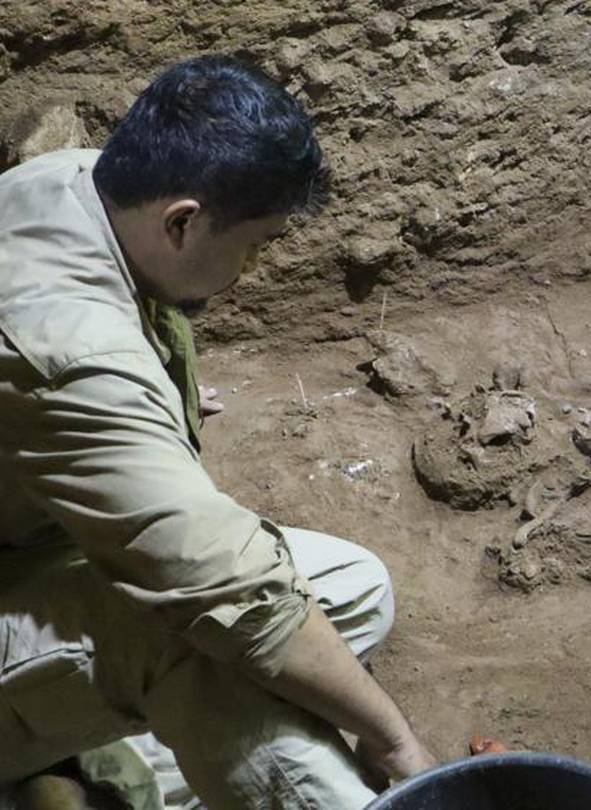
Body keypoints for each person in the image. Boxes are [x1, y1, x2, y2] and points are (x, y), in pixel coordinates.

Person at [0, 55, 437, 809]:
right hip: (21, 576)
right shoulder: (72, 350)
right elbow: (221, 584)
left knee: (354, 587)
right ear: (183, 221)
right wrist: (394, 738)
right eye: (255, 242)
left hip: (32, 548)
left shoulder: (73, 184)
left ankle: (84, 751)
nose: (253, 266)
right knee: (199, 635)